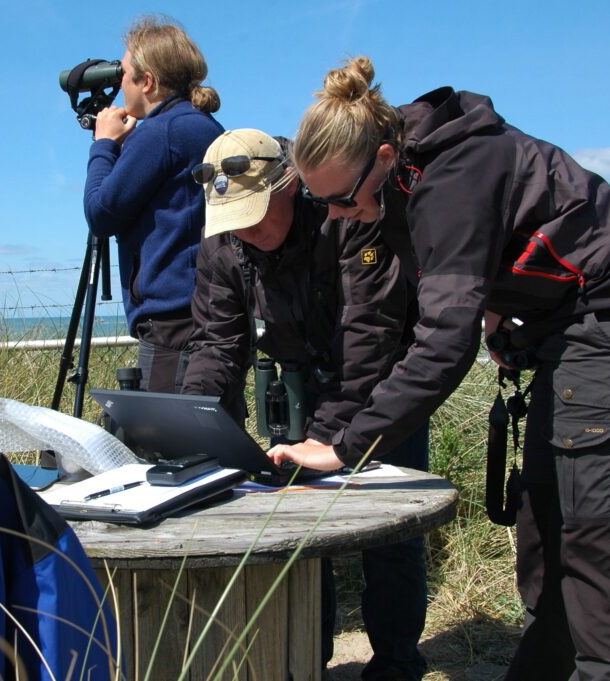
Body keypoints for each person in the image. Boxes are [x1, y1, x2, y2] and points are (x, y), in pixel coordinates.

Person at [274, 56, 610, 681]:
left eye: (341, 200)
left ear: (384, 155)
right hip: (567, 336)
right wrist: (503, 314)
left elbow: (444, 342)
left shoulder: (453, 176)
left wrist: (348, 447)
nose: (334, 216)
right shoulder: (397, 186)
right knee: (547, 529)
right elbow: (389, 320)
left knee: (594, 535)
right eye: (320, 202)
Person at [182, 128, 429, 680]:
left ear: (290, 185)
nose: (245, 228)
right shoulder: (224, 242)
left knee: (391, 534)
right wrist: (194, 421)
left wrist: (328, 437)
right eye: (233, 218)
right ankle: (305, 664)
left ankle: (395, 665)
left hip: (384, 392)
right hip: (296, 392)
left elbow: (370, 340)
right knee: (296, 535)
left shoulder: (347, 211)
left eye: (255, 213)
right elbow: (216, 344)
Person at [83, 16, 223, 393]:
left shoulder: (160, 133)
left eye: (124, 75)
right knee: (210, 433)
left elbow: (100, 214)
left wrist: (104, 145)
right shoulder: (203, 125)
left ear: (148, 82)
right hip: (211, 312)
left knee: (171, 444)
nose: (119, 86)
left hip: (171, 322)